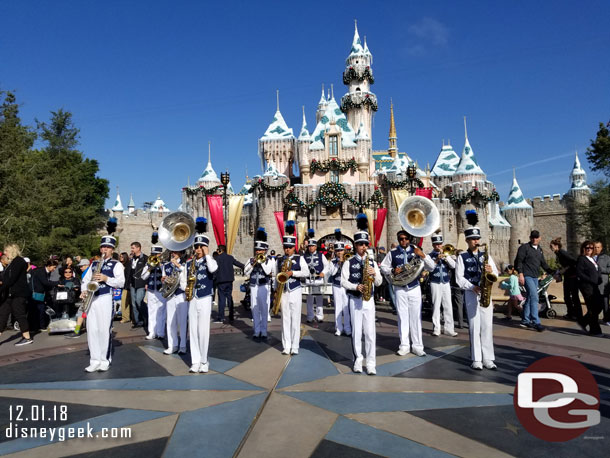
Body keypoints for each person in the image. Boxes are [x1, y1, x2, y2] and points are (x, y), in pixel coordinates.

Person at [380, 229, 435, 357]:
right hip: (400, 288)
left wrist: (422, 255)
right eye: (401, 239)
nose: (404, 241)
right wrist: (393, 270)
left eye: (406, 238)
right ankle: (404, 345)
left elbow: (431, 267)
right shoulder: (393, 253)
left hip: (414, 287)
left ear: (409, 239)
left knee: (415, 317)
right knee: (402, 317)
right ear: (398, 240)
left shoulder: (416, 251)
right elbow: (383, 267)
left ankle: (417, 346)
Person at [455, 213, 499, 370]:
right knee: (474, 326)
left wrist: (490, 270)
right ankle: (476, 359)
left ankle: (488, 358)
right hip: (472, 293)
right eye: (473, 239)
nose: (476, 241)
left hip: (485, 293)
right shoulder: (462, 256)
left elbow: (496, 273)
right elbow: (458, 278)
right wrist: (471, 287)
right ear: (467, 240)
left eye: (477, 239)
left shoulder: (485, 255)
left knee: (487, 326)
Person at [341, 214, 383, 375]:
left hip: (369, 300)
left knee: (370, 333)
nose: (363, 247)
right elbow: (343, 282)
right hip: (355, 299)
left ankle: (371, 363)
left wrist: (373, 274)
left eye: (365, 244)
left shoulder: (371, 262)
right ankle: (358, 360)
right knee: (357, 332)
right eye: (360, 244)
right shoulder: (348, 262)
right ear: (355, 245)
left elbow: (379, 282)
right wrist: (355, 286)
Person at [80, 227, 125, 372]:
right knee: (92, 329)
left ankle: (104, 360)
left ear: (112, 250)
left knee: (104, 330)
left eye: (108, 247)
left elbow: (121, 282)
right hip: (93, 298)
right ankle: (94, 360)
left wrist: (106, 278)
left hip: (106, 298)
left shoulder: (117, 264)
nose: (105, 249)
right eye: (103, 247)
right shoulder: (93, 264)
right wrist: (84, 291)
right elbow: (85, 280)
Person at [181, 228, 218, 373]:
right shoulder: (188, 264)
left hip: (205, 297)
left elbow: (213, 269)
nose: (197, 249)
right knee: (193, 330)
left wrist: (207, 254)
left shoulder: (210, 260)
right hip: (193, 297)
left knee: (203, 330)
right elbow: (182, 279)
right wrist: (186, 288)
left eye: (200, 247)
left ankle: (204, 360)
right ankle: (195, 361)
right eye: (196, 247)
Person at [275, 220, 308, 355]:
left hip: (295, 290)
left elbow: (306, 273)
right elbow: (275, 276)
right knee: (285, 319)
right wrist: (275, 292)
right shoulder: (280, 260)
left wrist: (292, 273)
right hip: (283, 292)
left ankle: (295, 346)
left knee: (295, 318)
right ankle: (286, 345)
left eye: (289, 247)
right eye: (285, 247)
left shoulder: (300, 259)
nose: (287, 249)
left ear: (294, 247)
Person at [514, 230, 555, 332]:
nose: (534, 239)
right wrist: (521, 274)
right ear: (530, 237)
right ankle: (536, 322)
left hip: (535, 276)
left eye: (536, 237)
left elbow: (543, 263)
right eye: (533, 237)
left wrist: (552, 271)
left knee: (529, 298)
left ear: (540, 238)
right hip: (526, 275)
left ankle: (525, 320)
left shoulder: (539, 249)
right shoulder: (524, 248)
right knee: (534, 297)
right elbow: (519, 261)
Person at [0, 244, 35, 345]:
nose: (4, 253)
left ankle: (27, 337)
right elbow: (7, 279)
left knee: (19, 314)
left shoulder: (18, 261)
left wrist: (1, 288)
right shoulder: (12, 263)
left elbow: (11, 279)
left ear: (12, 251)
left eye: (6, 251)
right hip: (10, 294)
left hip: (18, 293)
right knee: (2, 314)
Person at [244, 228, 274, 339]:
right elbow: (245, 272)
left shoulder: (269, 260)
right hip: (253, 286)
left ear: (265, 251)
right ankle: (256, 330)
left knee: (264, 308)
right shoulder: (251, 260)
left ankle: (264, 330)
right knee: (254, 308)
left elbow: (267, 271)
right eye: (257, 250)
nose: (258, 252)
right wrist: (252, 264)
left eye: (260, 250)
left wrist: (261, 262)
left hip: (263, 285)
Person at [428, 234, 458, 337]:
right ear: (433, 245)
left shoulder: (447, 254)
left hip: (445, 282)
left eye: (440, 244)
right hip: (435, 282)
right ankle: (436, 328)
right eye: (436, 244)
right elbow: (430, 268)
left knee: (448, 306)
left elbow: (454, 266)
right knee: (436, 306)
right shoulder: (429, 256)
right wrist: (436, 259)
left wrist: (446, 257)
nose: (438, 246)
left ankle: (449, 328)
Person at [549, 238, 581, 321]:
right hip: (567, 277)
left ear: (556, 246)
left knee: (574, 296)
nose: (550, 248)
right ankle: (570, 313)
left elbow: (573, 261)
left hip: (573, 277)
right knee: (566, 296)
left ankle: (577, 314)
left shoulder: (562, 252)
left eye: (551, 246)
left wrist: (565, 269)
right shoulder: (558, 254)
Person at [576, 241, 603, 336]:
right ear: (583, 248)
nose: (589, 249)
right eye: (587, 248)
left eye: (591, 248)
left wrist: (598, 278)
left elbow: (597, 270)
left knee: (599, 305)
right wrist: (591, 280)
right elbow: (579, 273)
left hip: (594, 286)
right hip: (587, 287)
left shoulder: (592, 259)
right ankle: (595, 330)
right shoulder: (582, 259)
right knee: (592, 308)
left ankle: (583, 321)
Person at [163, 250, 188, 354]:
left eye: (175, 252)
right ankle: (172, 345)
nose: (173, 253)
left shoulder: (185, 264)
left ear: (180, 253)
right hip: (170, 295)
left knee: (182, 321)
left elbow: (186, 274)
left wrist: (177, 264)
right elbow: (164, 278)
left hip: (181, 294)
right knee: (170, 321)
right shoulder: (166, 265)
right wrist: (163, 279)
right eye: (172, 251)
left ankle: (183, 345)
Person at [214, 244, 245, 323]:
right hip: (229, 280)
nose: (217, 251)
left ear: (220, 250)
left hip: (221, 281)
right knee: (229, 297)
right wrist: (245, 267)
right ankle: (231, 316)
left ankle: (221, 317)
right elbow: (238, 263)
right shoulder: (230, 257)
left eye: (218, 250)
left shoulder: (217, 258)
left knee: (222, 299)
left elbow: (214, 269)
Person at [303, 229, 329, 323]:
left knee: (319, 298)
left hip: (318, 279)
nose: (311, 248)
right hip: (309, 279)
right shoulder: (304, 256)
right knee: (309, 299)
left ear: (316, 247)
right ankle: (310, 316)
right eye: (309, 246)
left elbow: (327, 266)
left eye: (313, 246)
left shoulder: (321, 255)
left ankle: (319, 316)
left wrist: (323, 273)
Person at [140, 245, 166, 340]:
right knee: (151, 311)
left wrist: (160, 265)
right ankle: (152, 332)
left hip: (161, 290)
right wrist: (149, 268)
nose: (154, 256)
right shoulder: (148, 265)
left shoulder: (164, 264)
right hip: (151, 290)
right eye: (153, 254)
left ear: (160, 254)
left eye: (156, 254)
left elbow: (165, 276)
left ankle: (160, 332)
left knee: (161, 311)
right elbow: (143, 277)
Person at [328, 241, 351, 336]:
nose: (339, 252)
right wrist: (337, 264)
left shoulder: (348, 260)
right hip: (336, 285)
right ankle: (338, 328)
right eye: (337, 251)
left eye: (341, 250)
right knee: (338, 307)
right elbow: (332, 273)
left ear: (344, 251)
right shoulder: (332, 262)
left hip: (345, 287)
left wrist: (344, 263)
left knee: (346, 307)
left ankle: (347, 327)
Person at [30, 259, 59, 331]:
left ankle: (40, 326)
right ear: (49, 266)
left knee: (40, 310)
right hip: (36, 293)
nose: (54, 269)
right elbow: (45, 282)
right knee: (38, 310)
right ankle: (37, 326)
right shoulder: (41, 271)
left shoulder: (46, 272)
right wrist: (57, 283)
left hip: (41, 293)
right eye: (54, 267)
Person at [124, 242, 148, 330]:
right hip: (132, 284)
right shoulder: (131, 259)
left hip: (141, 283)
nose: (132, 250)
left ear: (138, 248)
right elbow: (128, 271)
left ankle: (145, 318)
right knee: (134, 303)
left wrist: (146, 283)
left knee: (139, 301)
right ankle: (137, 321)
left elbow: (148, 272)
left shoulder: (145, 258)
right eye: (131, 248)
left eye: (133, 248)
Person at [593, 241, 610, 326]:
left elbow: (609, 270)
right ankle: (593, 319)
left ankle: (606, 319)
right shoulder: (590, 257)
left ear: (601, 248)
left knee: (605, 303)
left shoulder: (606, 258)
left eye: (598, 247)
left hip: (603, 284)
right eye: (595, 247)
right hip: (593, 284)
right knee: (594, 303)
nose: (596, 249)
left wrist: (600, 269)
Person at [118, 252, 131, 323]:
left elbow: (127, 276)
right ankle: (126, 317)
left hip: (126, 285)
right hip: (122, 286)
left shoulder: (127, 265)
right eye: (120, 256)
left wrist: (126, 286)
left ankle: (126, 317)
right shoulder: (119, 264)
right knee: (124, 302)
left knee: (125, 301)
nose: (120, 258)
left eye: (122, 257)